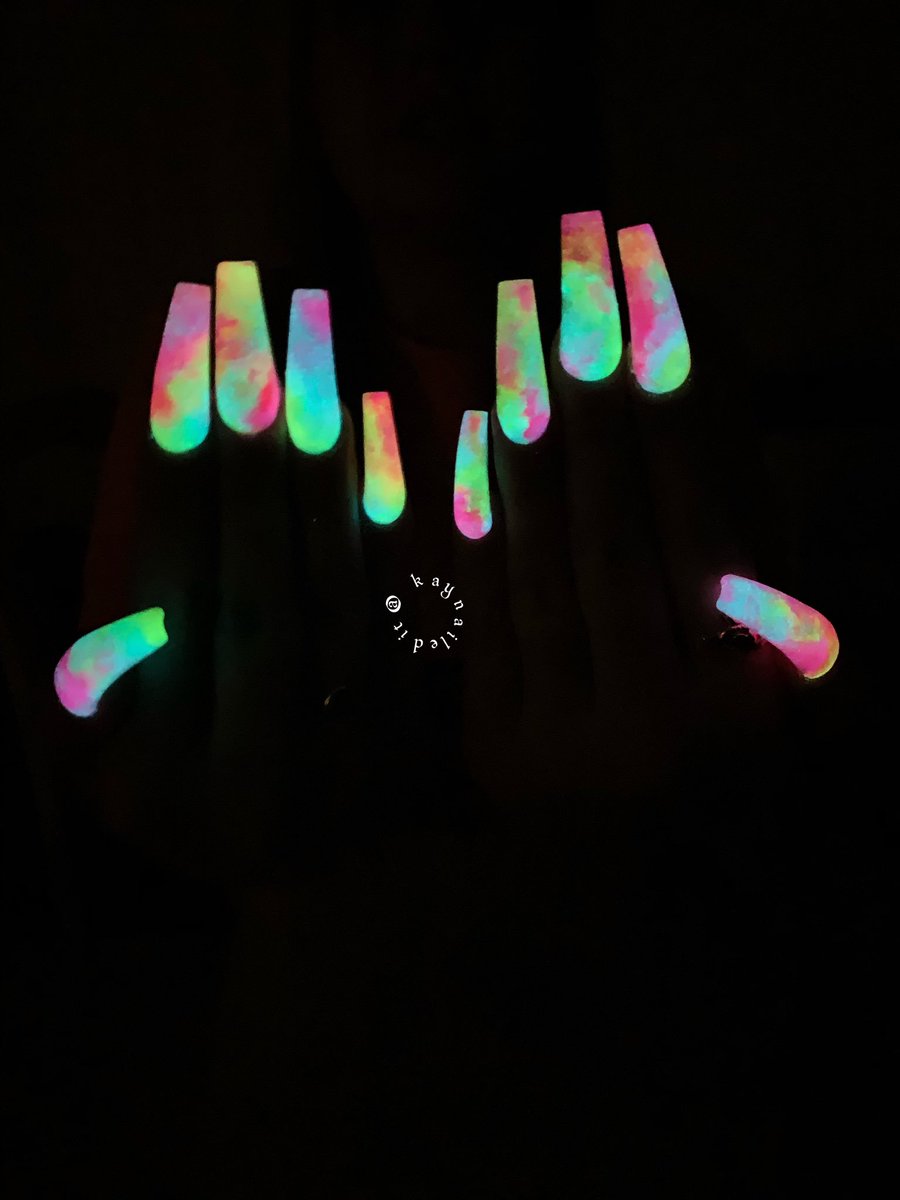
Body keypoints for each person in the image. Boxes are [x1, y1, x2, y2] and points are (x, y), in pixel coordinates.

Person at [2, 1, 886, 1193]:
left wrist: (749, 759)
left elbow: (784, 739)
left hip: (632, 1062)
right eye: (368, 2)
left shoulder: (662, 365)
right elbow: (114, 752)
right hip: (321, 1083)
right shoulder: (218, 390)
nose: (425, 36)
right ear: (308, 68)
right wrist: (142, 789)